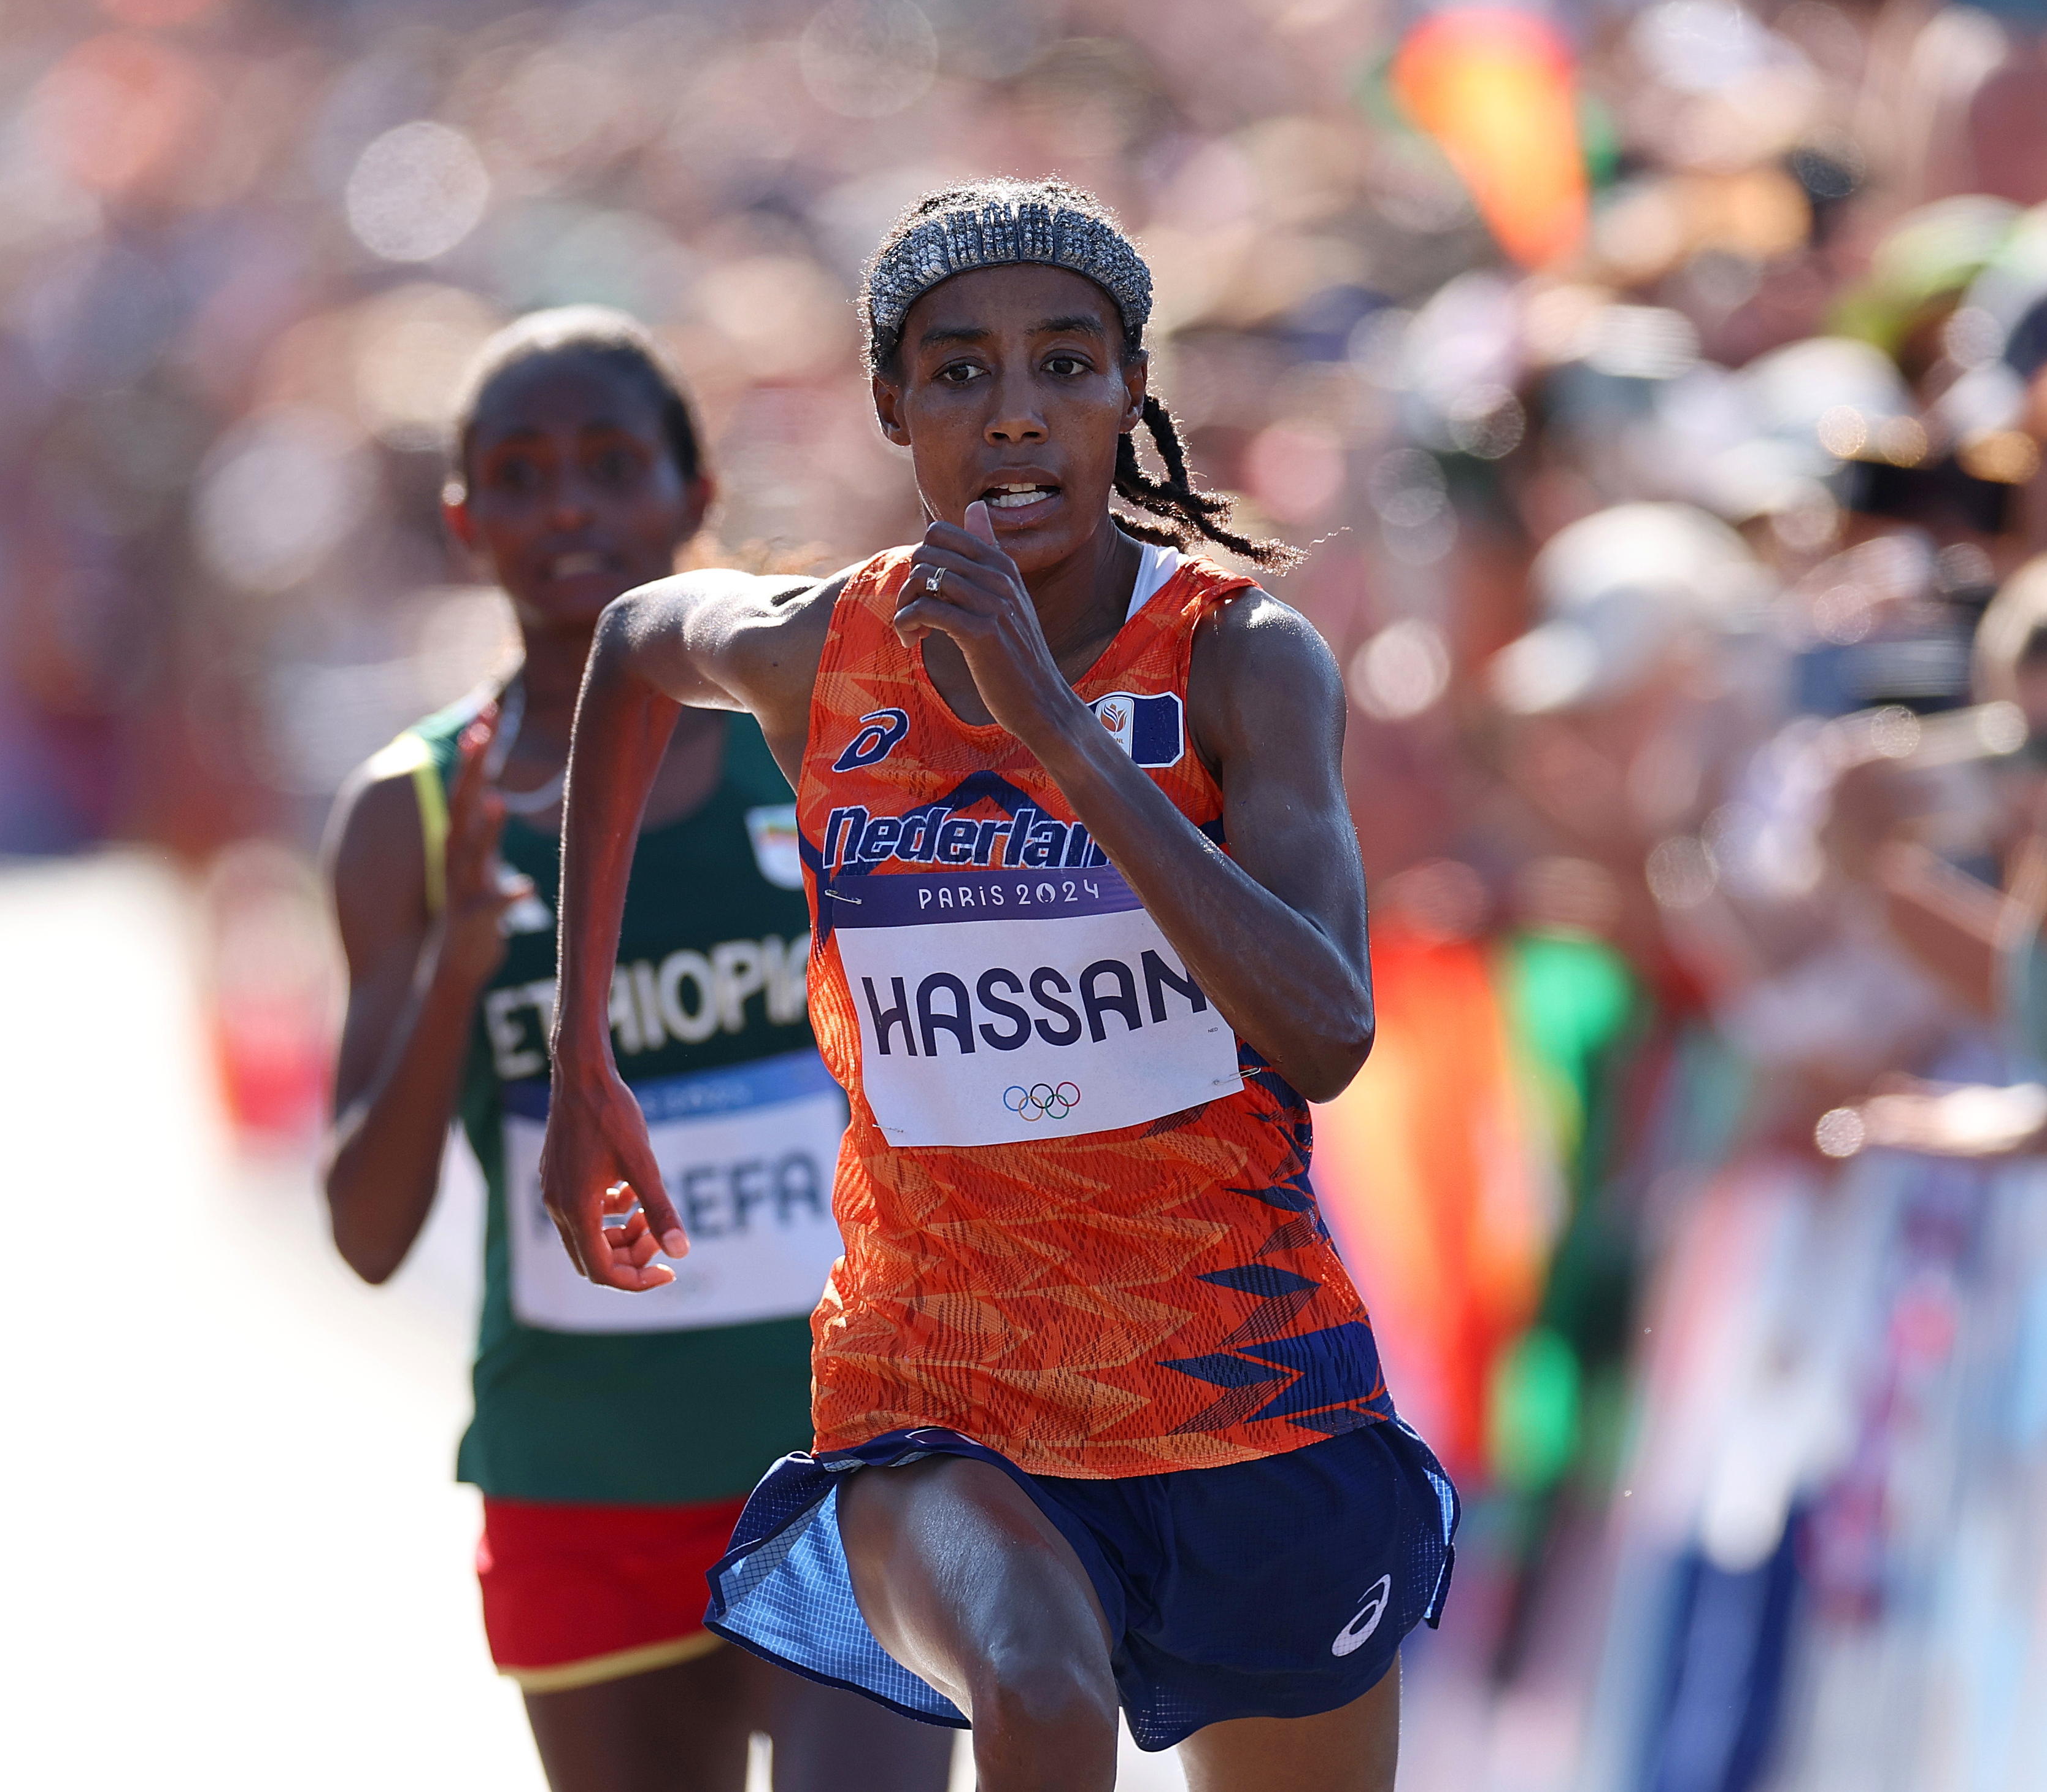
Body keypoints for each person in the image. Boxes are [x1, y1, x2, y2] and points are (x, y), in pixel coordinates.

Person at [538, 182, 1459, 1792]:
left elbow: (1323, 1035)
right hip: (941, 1389)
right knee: (1035, 1687)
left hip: (1244, 1387)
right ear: (895, 407)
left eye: (1064, 365)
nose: (1015, 415)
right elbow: (629, 638)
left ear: (1128, 394)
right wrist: (581, 1063)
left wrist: (1056, 734)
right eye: (958, 373)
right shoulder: (823, 649)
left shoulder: (1243, 660)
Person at [320, 307, 954, 1792]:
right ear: (464, 516)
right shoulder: (409, 817)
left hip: (845, 1451)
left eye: (612, 465)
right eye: (524, 474)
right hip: (583, 1479)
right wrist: (465, 966)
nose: (571, 510)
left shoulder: (821, 744)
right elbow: (365, 1231)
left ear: (694, 494)